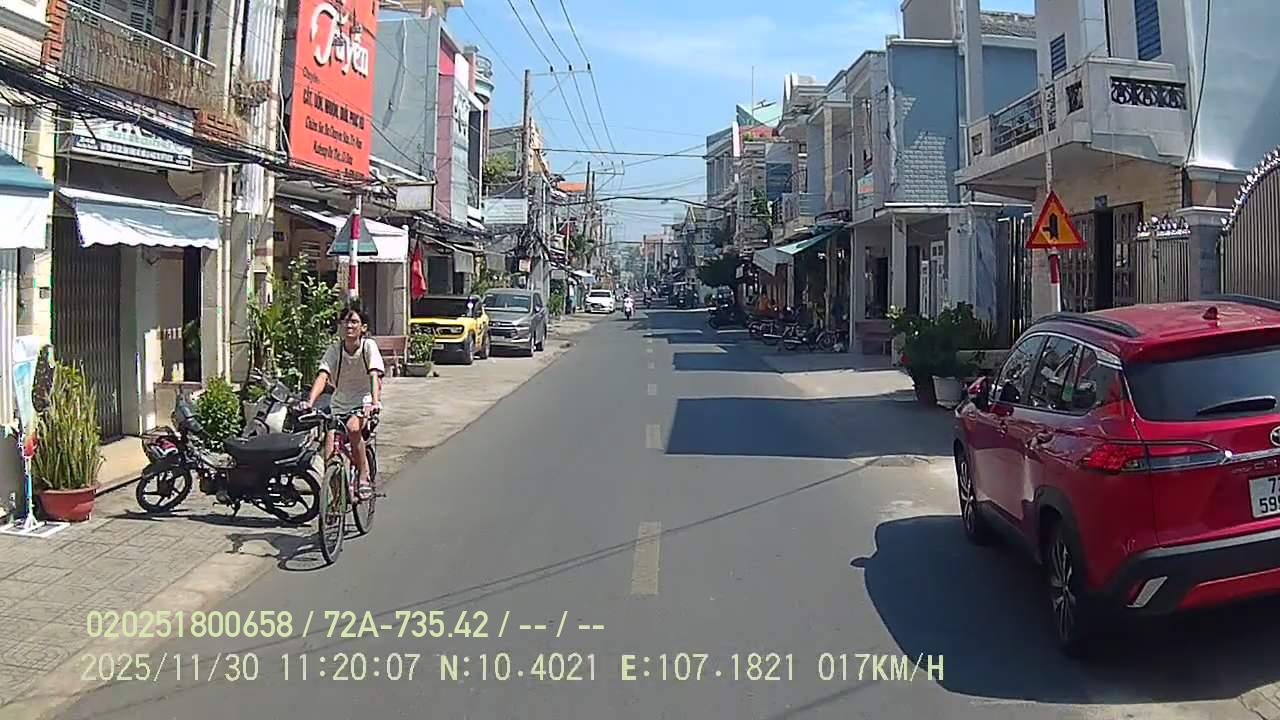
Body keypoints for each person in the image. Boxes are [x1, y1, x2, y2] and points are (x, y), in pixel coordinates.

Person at [302, 303, 385, 499]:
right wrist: (309, 402)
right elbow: (323, 375)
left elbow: (374, 374)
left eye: (354, 322)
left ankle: (363, 475)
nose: (349, 326)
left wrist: (374, 402)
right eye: (346, 322)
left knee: (354, 428)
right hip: (339, 404)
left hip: (363, 402)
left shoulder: (368, 346)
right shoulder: (335, 349)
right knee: (329, 451)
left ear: (363, 327)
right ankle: (336, 499)